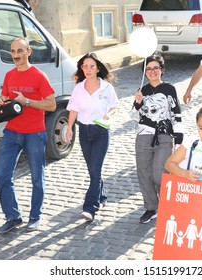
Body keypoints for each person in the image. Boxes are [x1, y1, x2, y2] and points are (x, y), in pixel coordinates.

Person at [0, 37, 56, 233]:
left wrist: (27, 101)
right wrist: (2, 101)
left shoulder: (39, 76)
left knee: (37, 177)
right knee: (3, 175)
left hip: (35, 133)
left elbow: (52, 105)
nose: (15, 55)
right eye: (13, 51)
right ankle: (12, 217)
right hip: (12, 132)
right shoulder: (9, 75)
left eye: (20, 51)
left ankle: (35, 216)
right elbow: (8, 101)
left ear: (28, 52)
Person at [131, 52, 184, 224]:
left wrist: (179, 138)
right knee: (144, 173)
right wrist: (137, 103)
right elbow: (133, 116)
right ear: (144, 72)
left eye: (155, 68)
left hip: (164, 136)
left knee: (158, 174)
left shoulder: (169, 89)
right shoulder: (142, 91)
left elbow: (176, 114)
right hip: (143, 136)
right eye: (148, 69)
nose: (152, 71)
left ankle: (168, 203)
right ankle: (151, 208)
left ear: (161, 70)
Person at [66, 53, 119, 222]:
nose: (88, 70)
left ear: (98, 68)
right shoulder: (78, 88)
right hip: (84, 132)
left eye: (91, 66)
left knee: (96, 170)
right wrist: (69, 129)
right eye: (84, 66)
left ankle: (90, 207)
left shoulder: (106, 88)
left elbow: (114, 106)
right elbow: (73, 109)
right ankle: (101, 196)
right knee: (93, 170)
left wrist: (109, 115)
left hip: (101, 132)